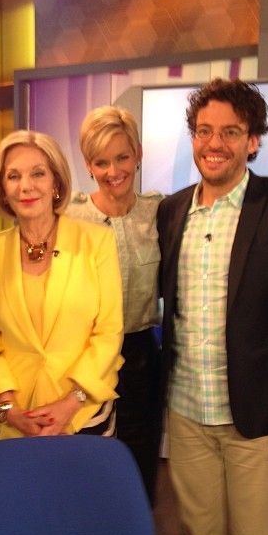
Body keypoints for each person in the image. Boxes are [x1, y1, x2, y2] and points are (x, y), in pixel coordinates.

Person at [157, 78, 268, 535]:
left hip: (256, 418)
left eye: (230, 132)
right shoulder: (172, 211)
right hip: (187, 413)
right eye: (203, 131)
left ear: (253, 140)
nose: (213, 143)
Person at [0, 130, 123, 441]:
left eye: (38, 173)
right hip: (11, 421)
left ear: (56, 183)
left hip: (82, 414)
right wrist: (8, 406)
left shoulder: (97, 242)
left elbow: (109, 332)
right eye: (13, 176)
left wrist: (72, 401)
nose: (26, 186)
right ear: (2, 190)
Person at [67, 106, 163, 504]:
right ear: (88, 165)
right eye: (101, 162)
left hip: (141, 355)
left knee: (140, 468)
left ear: (138, 154)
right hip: (84, 357)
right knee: (89, 468)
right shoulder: (69, 217)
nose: (113, 171)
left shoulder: (160, 212)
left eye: (122, 157)